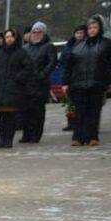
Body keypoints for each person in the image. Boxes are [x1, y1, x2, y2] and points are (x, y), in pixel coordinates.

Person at [63, 15, 111, 147]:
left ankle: (92, 137)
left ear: (99, 28)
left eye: (95, 27)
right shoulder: (78, 46)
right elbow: (69, 65)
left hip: (97, 83)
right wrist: (65, 83)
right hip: (78, 84)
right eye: (90, 28)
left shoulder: (106, 44)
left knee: (94, 112)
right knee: (79, 112)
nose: (92, 30)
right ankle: (78, 137)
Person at [0, 28, 31, 149]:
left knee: (11, 116)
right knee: (2, 117)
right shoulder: (0, 53)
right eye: (7, 37)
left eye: (11, 36)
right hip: (1, 90)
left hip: (14, 89)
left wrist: (18, 78)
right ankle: (2, 140)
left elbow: (28, 68)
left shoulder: (21, 52)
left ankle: (9, 140)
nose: (9, 39)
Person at [21, 22, 57, 143]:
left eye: (39, 32)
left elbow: (52, 63)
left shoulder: (48, 46)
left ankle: (36, 135)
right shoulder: (25, 48)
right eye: (34, 32)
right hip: (26, 84)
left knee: (38, 112)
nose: (36, 34)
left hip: (40, 84)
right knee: (25, 111)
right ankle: (26, 135)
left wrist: (42, 75)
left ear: (44, 33)